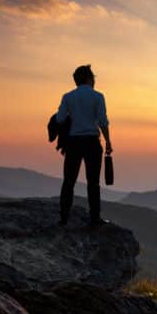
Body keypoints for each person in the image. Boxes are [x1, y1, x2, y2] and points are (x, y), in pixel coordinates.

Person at [56, 65, 113, 226]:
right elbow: (103, 121)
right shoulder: (98, 96)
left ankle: (64, 217)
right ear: (89, 78)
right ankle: (95, 218)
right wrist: (108, 141)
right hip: (92, 142)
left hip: (73, 143)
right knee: (93, 182)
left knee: (69, 180)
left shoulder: (67, 97)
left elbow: (60, 119)